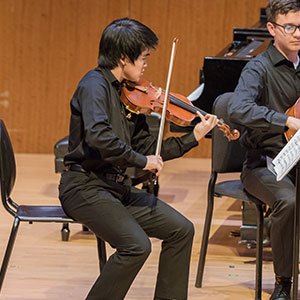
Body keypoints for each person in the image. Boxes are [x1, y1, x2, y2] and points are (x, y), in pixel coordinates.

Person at [58, 18, 218, 300]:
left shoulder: (129, 95)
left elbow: (149, 148)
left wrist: (193, 137)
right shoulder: (93, 85)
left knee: (181, 230)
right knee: (136, 246)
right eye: (143, 57)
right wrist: (143, 162)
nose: (146, 64)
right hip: (84, 187)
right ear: (123, 57)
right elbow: (100, 137)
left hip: (115, 188)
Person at [227, 0, 300, 299]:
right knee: (288, 201)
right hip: (264, 165)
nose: (298, 33)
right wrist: (286, 121)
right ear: (272, 28)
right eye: (290, 27)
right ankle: (283, 282)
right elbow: (239, 108)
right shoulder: (258, 68)